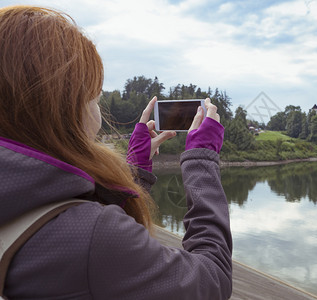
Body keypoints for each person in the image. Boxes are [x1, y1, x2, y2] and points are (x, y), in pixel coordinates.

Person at [0, 5, 232, 299]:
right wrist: (202, 161)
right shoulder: (91, 238)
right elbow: (212, 281)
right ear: (62, 111)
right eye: (94, 99)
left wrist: (134, 171)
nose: (98, 114)